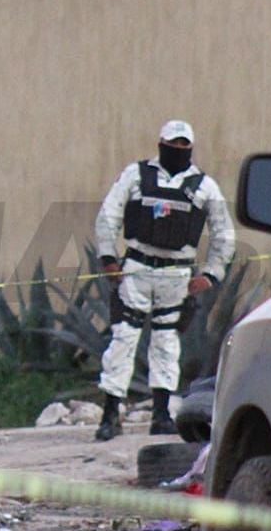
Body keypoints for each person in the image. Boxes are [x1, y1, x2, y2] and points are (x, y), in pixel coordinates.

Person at [92, 120, 236, 442]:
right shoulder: (136, 175)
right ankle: (110, 415)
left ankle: (161, 415)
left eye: (183, 145)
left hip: (176, 276)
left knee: (166, 342)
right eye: (173, 144)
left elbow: (224, 234)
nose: (177, 149)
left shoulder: (204, 186)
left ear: (191, 148)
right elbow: (108, 216)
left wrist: (210, 275)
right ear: (161, 143)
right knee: (123, 339)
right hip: (137, 269)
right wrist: (109, 259)